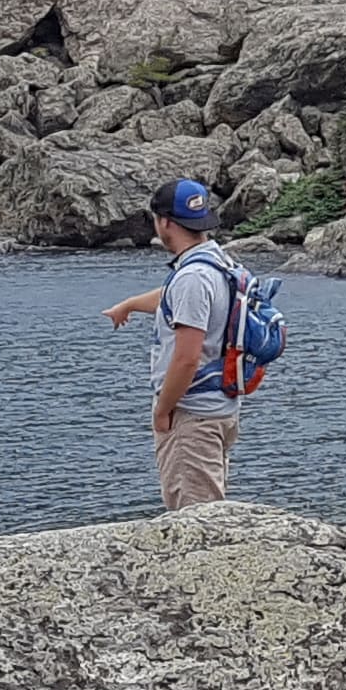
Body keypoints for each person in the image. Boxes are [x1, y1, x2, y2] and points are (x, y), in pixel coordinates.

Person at [102, 179, 255, 509]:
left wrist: (163, 410)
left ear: (165, 222)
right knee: (211, 506)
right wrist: (129, 305)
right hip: (220, 407)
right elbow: (177, 300)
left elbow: (187, 357)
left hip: (192, 417)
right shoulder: (218, 262)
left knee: (195, 518)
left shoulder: (192, 277)